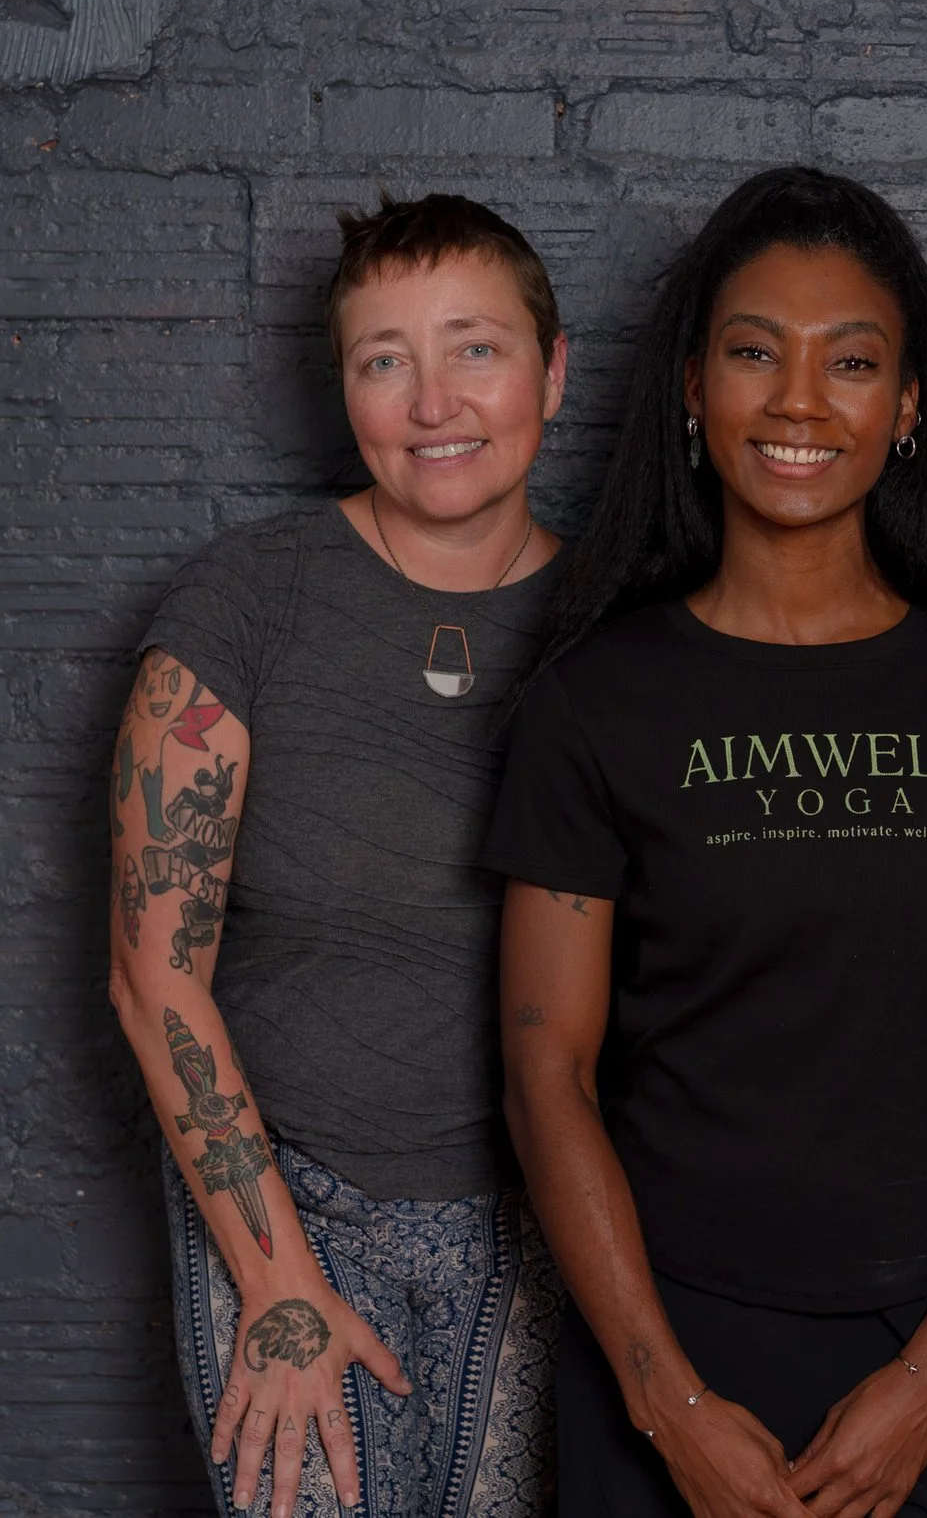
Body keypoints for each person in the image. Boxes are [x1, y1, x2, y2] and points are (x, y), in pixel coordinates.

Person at [481, 166, 927, 1518]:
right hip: (676, 1351)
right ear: (695, 394)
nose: (801, 400)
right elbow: (548, 1071)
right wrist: (666, 1403)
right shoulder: (595, 701)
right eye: (756, 353)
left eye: (854, 361)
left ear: (908, 410)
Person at [106, 193, 569, 1518]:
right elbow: (156, 975)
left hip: (535, 1221)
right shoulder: (245, 605)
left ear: (554, 367)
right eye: (385, 360)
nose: (433, 402)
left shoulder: (617, 627)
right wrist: (277, 1282)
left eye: (473, 348)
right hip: (293, 1196)